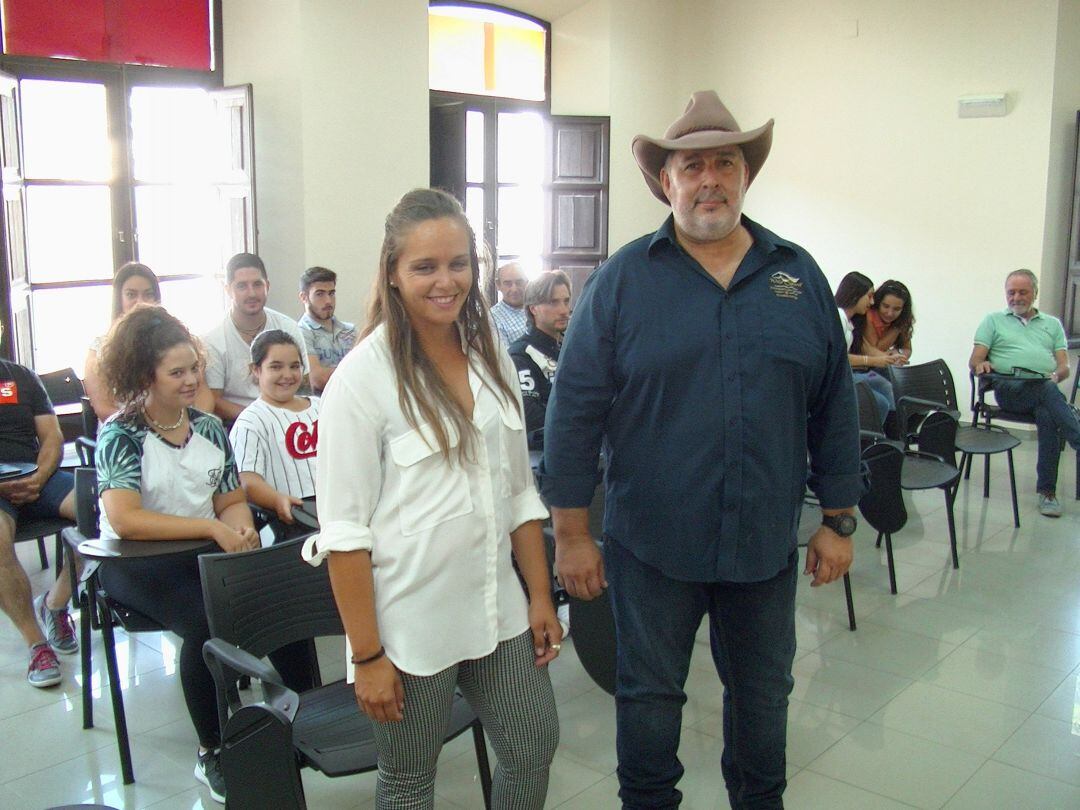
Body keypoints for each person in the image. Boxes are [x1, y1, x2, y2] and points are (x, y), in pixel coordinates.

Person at [542, 91, 863, 808]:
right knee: (649, 703)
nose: (709, 179)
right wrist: (570, 534)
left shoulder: (797, 276)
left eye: (725, 162)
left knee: (763, 700)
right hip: (651, 546)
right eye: (693, 166)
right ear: (667, 182)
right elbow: (574, 413)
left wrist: (839, 519)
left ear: (746, 176)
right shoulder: (623, 281)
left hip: (763, 547)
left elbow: (834, 401)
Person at [302, 188, 560, 807]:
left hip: (497, 609)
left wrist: (541, 597)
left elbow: (517, 492)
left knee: (534, 743)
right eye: (424, 267)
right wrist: (366, 657)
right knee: (410, 780)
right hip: (409, 630)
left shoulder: (489, 351)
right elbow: (344, 536)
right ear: (392, 271)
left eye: (458, 264)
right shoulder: (361, 380)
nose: (446, 282)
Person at [94, 305, 264, 804]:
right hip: (135, 563)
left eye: (195, 368)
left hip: (199, 552)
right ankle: (213, 748)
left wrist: (242, 530)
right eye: (178, 372)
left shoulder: (209, 429)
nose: (193, 380)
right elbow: (125, 519)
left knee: (274, 590)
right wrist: (211, 528)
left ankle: (294, 722)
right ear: (145, 376)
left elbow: (231, 499)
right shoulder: (121, 434)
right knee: (204, 620)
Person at [0, 321, 79, 688]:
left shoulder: (20, 377)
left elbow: (52, 436)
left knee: (102, 512)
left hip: (36, 477)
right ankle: (37, 645)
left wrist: (39, 475)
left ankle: (55, 603)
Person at [969, 268, 1080, 517]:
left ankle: (1047, 493)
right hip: (1010, 390)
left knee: (1048, 413)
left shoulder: (1051, 324)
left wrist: (1057, 375)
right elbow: (975, 360)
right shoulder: (993, 320)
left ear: (1035, 293)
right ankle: (1077, 437)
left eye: (1023, 292)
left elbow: (1064, 366)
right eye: (1011, 292)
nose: (1016, 297)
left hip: (1042, 388)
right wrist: (981, 364)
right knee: (1049, 394)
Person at [83, 262, 214, 422]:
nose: (141, 302)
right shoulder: (100, 349)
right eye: (131, 295)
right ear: (119, 298)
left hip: (181, 426)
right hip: (126, 432)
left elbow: (203, 396)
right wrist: (154, 428)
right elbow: (104, 409)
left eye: (148, 294)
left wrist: (191, 424)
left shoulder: (176, 341)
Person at [230, 330, 319, 539]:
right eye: (276, 367)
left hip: (338, 506)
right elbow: (247, 481)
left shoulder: (321, 405)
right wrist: (276, 500)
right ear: (256, 370)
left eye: (294, 366)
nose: (287, 375)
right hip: (293, 517)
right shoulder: (250, 421)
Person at [203, 253, 309, 424]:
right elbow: (214, 401)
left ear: (267, 285)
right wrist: (262, 418)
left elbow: (304, 385)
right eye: (242, 286)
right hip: (239, 423)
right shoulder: (212, 340)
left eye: (257, 284)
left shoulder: (288, 328)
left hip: (290, 418)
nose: (251, 293)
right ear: (228, 289)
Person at [509, 270, 572, 448]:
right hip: (542, 452)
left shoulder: (572, 347)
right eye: (553, 302)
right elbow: (530, 415)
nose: (563, 310)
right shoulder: (520, 354)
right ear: (533, 308)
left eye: (566, 301)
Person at [835, 271, 905, 423]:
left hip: (847, 374)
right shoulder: (838, 317)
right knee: (880, 402)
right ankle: (871, 440)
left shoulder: (850, 321)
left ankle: (895, 437)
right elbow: (838, 358)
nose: (872, 302)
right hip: (837, 378)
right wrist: (874, 361)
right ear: (856, 295)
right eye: (869, 296)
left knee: (886, 386)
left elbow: (867, 348)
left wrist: (888, 358)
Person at [297, 266, 356, 393]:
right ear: (303, 297)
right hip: (319, 407)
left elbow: (366, 370)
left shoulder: (350, 331)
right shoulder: (299, 332)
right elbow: (317, 379)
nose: (328, 301)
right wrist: (355, 373)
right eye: (320, 294)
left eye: (331, 293)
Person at [864, 279, 915, 361]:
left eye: (897, 309)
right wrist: (897, 328)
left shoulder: (904, 319)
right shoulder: (868, 314)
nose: (890, 313)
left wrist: (899, 353)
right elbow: (875, 350)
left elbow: (907, 349)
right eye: (885, 306)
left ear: (903, 310)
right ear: (878, 302)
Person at [489, 260, 529, 344]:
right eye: (508, 284)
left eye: (519, 282)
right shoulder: (493, 318)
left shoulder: (537, 309)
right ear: (498, 285)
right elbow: (505, 356)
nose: (514, 289)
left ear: (527, 283)